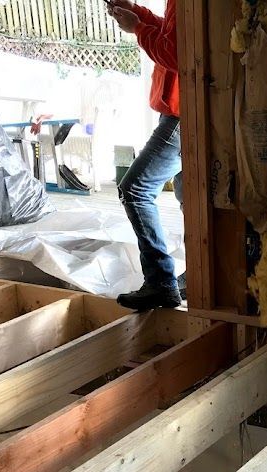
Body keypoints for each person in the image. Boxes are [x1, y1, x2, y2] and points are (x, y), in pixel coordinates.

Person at [107, 0, 185, 311]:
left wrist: (137, 27)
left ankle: (162, 282)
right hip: (181, 113)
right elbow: (172, 33)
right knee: (189, 199)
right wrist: (137, 14)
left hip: (182, 116)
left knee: (135, 189)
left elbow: (176, 54)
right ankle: (196, 277)